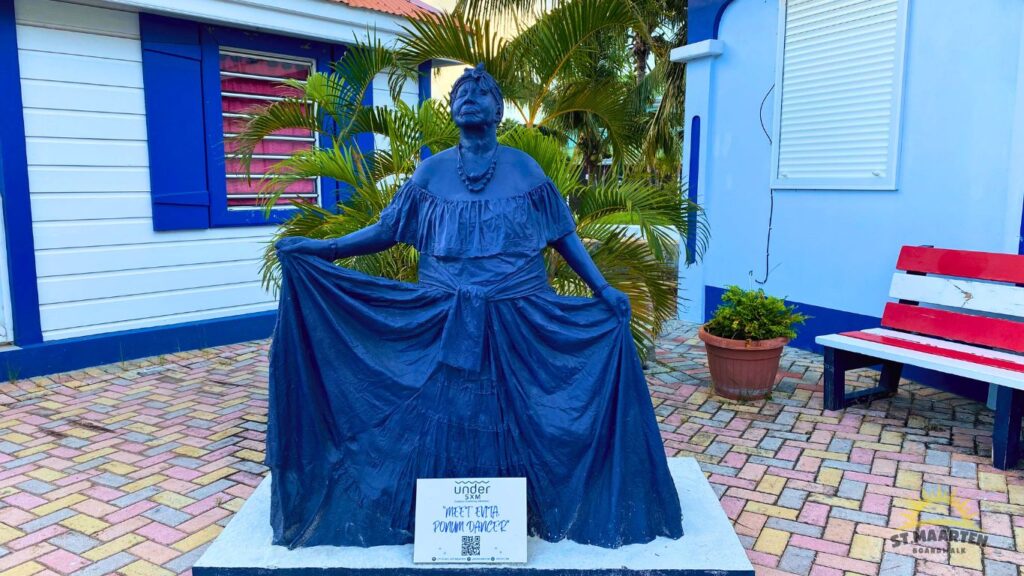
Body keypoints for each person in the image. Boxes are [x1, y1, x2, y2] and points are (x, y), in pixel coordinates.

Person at [268, 64, 683, 549]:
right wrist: (326, 250)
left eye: (480, 92)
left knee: (521, 414)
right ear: (451, 108)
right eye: (460, 92)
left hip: (519, 320)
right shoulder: (432, 171)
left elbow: (562, 234)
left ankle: (516, 514)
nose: (468, 98)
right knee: (447, 414)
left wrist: (601, 288)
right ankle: (450, 519)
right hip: (444, 319)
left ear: (498, 109)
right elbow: (386, 231)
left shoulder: (525, 169)